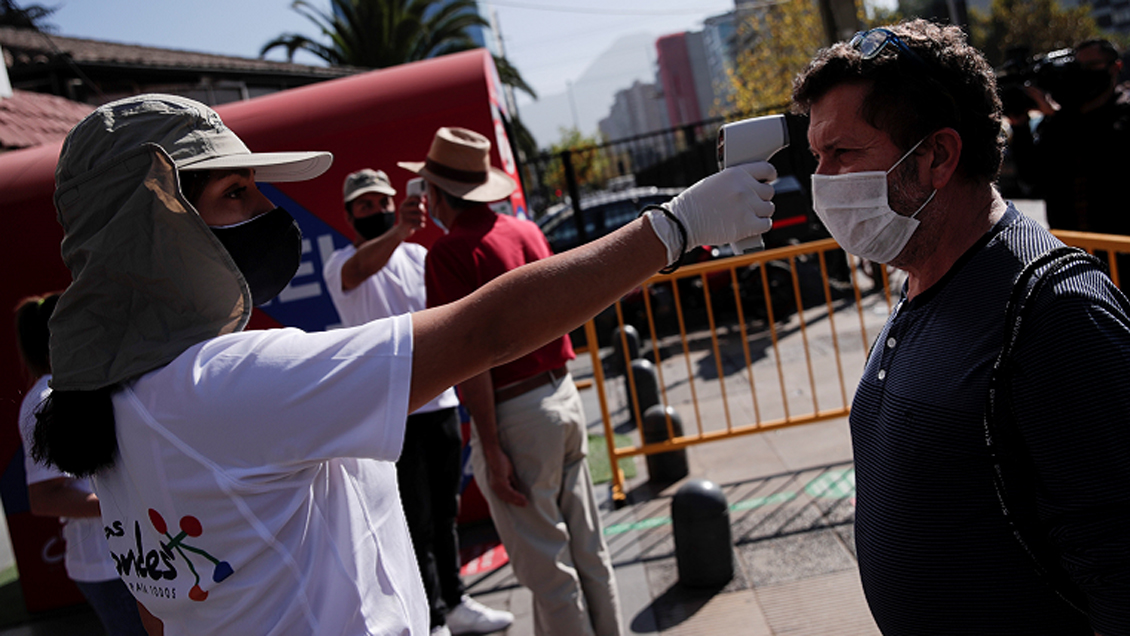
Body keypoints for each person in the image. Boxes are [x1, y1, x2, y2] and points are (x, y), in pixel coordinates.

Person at [30, 93, 777, 635]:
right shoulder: (224, 385)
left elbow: (165, 617)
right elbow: (483, 331)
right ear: (156, 222)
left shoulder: (104, 400)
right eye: (236, 192)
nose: (267, 210)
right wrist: (677, 226)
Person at [791, 20, 1130, 635]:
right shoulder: (919, 276)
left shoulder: (1056, 312)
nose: (823, 181)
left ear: (939, 157)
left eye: (843, 154)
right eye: (817, 157)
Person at [400, 127, 622, 636]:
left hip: (515, 416)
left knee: (549, 573)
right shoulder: (523, 231)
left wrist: (491, 446)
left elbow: (470, 358)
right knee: (589, 552)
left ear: (435, 193)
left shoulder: (450, 253)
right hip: (563, 395)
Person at [322, 168, 513, 635]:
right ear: (349, 217)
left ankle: (456, 599)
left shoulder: (420, 255)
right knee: (413, 519)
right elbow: (362, 270)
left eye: (383, 201)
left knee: (446, 510)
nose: (377, 210)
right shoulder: (342, 265)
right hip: (391, 411)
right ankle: (430, 618)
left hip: (441, 403)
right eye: (365, 206)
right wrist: (401, 229)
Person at [14, 293, 148, 635]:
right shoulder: (46, 401)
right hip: (106, 566)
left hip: (128, 558)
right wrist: (126, 506)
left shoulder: (81, 386)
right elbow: (45, 498)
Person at [1009, 39, 1130, 234]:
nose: (1082, 73)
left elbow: (1107, 158)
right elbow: (1032, 178)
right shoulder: (1060, 119)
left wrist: (1058, 117)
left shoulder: (1123, 111)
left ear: (1116, 67)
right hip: (1074, 251)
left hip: (1120, 250)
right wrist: (1021, 127)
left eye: (1091, 66)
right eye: (1077, 67)